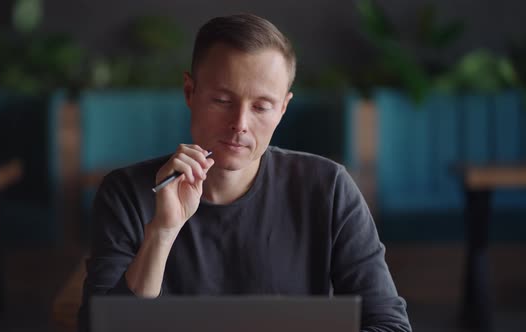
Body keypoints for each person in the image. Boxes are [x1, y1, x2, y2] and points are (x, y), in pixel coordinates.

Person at [78, 13, 411, 332]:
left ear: (282, 109)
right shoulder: (126, 193)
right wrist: (162, 233)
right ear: (189, 92)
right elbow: (100, 327)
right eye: (223, 100)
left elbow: (390, 324)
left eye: (261, 106)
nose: (240, 124)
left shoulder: (328, 188)